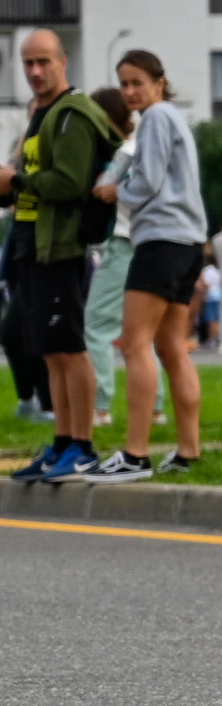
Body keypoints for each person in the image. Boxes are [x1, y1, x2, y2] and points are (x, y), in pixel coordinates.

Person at [0, 29, 121, 482]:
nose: (35, 71)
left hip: (61, 247)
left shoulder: (73, 113)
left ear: (63, 61)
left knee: (70, 348)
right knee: (50, 351)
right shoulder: (43, 114)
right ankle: (61, 444)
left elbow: (70, 183)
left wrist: (15, 181)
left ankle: (83, 447)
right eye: (28, 63)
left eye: (43, 61)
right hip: (32, 244)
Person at [87, 51, 207, 480]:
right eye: (124, 83)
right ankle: (189, 450)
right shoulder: (176, 120)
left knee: (134, 343)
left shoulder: (155, 118)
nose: (130, 91)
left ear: (159, 82)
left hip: (160, 240)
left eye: (137, 82)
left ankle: (135, 455)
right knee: (172, 348)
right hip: (189, 242)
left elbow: (149, 181)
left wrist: (114, 191)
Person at [1, 42, 55, 425]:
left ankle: (50, 406)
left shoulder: (53, 144)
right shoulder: (23, 148)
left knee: (30, 331)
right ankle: (30, 400)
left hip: (45, 245)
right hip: (19, 245)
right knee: (14, 333)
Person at [81, 85, 135, 428]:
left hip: (121, 243)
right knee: (138, 333)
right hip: (144, 243)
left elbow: (103, 188)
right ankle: (156, 408)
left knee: (96, 326)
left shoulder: (122, 152)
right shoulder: (140, 145)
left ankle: (100, 407)